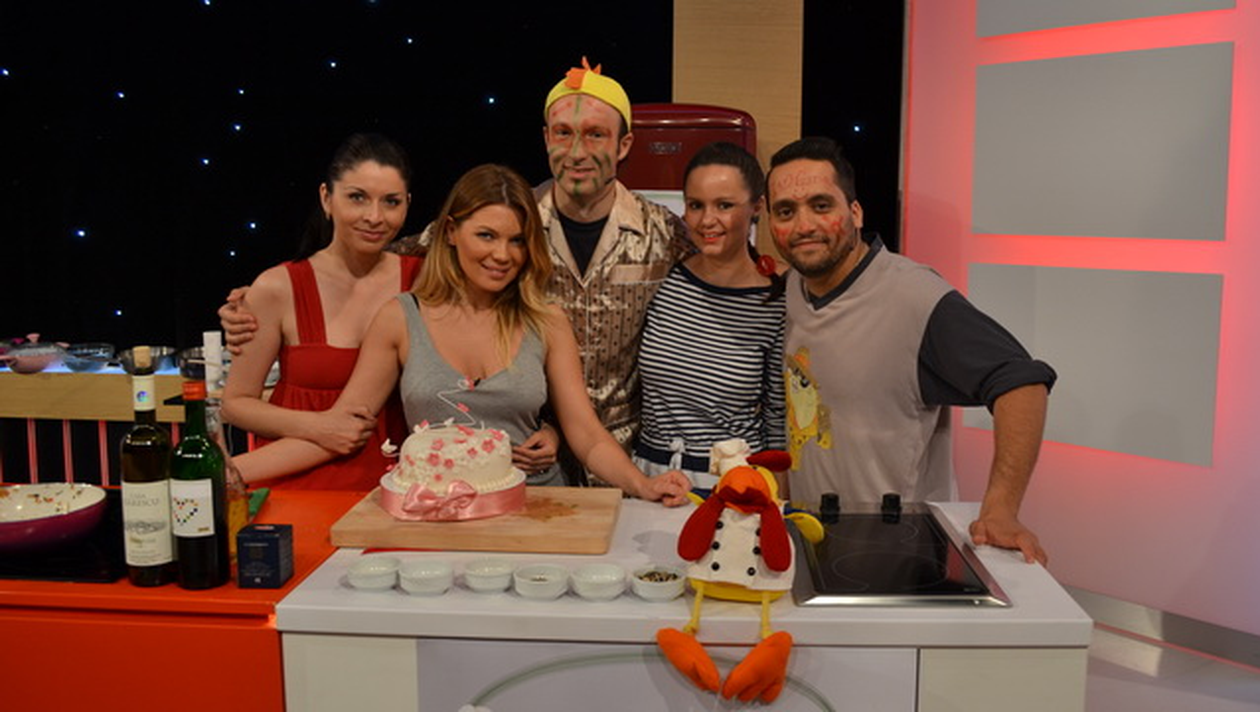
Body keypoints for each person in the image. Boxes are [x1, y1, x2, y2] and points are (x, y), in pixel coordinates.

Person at [222, 58, 692, 486]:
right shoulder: (424, 287)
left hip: (605, 460)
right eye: (564, 132)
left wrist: (642, 483)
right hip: (435, 495)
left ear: (623, 144)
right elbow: (373, 248)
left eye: (595, 135)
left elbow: (718, 267)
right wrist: (266, 296)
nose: (502, 254)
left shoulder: (662, 232)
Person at [245, 163, 692, 506]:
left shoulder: (546, 320)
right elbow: (341, 428)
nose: (502, 255)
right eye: (486, 235)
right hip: (432, 513)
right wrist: (231, 470)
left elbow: (587, 434)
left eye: (517, 240)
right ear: (451, 233)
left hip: (536, 507)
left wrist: (643, 485)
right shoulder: (401, 317)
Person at [765, 137, 1055, 564]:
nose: (803, 225)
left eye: (821, 205)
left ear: (855, 212)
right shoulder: (794, 287)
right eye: (786, 211)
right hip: (813, 538)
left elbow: (1022, 384)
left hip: (897, 551)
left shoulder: (913, 296)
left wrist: (1001, 508)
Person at [220, 133, 422, 490]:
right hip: (292, 481)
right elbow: (235, 403)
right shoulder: (278, 287)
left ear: (407, 204)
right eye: (357, 197)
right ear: (327, 198)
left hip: (399, 490)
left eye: (390, 202)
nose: (374, 216)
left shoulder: (424, 283)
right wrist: (319, 426)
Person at [633, 142, 787, 489]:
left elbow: (777, 420)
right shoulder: (664, 278)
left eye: (724, 205)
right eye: (695, 205)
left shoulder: (775, 301)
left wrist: (776, 500)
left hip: (733, 482)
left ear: (757, 207)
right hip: (650, 476)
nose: (706, 220)